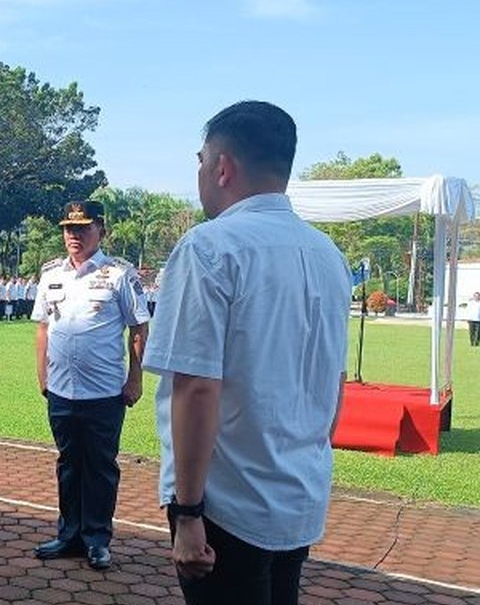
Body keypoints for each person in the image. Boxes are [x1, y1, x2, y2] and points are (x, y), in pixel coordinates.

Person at [144, 101, 350, 605]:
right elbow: (334, 379)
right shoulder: (328, 254)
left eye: (200, 160)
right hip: (297, 491)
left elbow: (195, 385)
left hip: (227, 503)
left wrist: (188, 512)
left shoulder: (210, 247)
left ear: (222, 166)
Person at [30, 200, 149, 571]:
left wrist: (135, 377)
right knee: (68, 464)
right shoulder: (51, 274)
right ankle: (69, 535)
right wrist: (43, 375)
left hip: (104, 392)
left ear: (101, 230)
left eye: (82, 228)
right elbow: (43, 327)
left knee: (99, 466)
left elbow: (139, 327)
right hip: (61, 389)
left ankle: (97, 539)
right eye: (68, 228)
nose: (73, 235)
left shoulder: (119, 274)